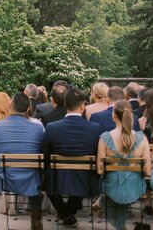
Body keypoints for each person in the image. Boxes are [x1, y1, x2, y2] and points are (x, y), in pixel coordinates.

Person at [0, 92, 45, 230]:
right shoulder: (38, 128)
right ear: (27, 109)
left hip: (3, 180)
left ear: (10, 105)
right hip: (31, 181)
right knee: (35, 175)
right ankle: (36, 222)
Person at [42, 87, 102, 227]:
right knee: (82, 177)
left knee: (48, 178)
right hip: (85, 179)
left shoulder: (52, 127)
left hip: (57, 178)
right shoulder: (94, 128)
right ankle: (68, 214)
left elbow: (45, 154)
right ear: (82, 106)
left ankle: (65, 214)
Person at [96, 100, 151, 230]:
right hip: (135, 187)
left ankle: (102, 205)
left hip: (111, 186)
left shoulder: (104, 138)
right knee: (122, 188)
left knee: (112, 189)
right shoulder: (142, 138)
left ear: (114, 115)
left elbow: (99, 171)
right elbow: (148, 171)